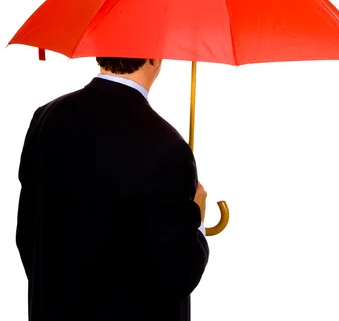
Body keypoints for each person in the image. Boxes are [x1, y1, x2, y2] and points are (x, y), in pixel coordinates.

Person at [16, 57, 209, 321]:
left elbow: (27, 234)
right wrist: (195, 218)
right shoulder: (167, 146)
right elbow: (177, 273)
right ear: (154, 57)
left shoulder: (46, 117)